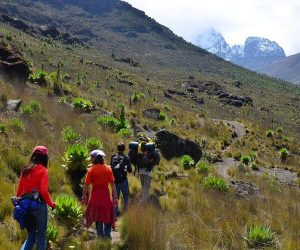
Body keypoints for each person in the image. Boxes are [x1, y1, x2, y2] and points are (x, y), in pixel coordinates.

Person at [16, 146, 56, 250]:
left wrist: (18, 202)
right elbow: (43, 191)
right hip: (38, 206)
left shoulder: (25, 169)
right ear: (45, 158)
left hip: (25, 205)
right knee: (41, 235)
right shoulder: (43, 171)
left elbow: (19, 190)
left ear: (33, 156)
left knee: (31, 236)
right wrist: (51, 204)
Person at [82, 150, 118, 239]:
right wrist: (115, 197)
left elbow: (86, 185)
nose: (90, 159)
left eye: (91, 157)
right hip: (105, 195)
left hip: (95, 196)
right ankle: (107, 234)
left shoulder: (91, 170)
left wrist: (84, 196)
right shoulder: (108, 169)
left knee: (98, 216)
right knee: (107, 214)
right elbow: (113, 185)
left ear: (95, 158)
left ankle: (101, 236)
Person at [110, 143, 132, 216]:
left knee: (115, 198)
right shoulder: (126, 158)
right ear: (124, 149)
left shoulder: (113, 157)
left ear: (117, 148)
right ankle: (126, 213)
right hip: (123, 180)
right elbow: (130, 170)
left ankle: (114, 214)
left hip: (114, 181)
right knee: (126, 196)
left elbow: (111, 168)